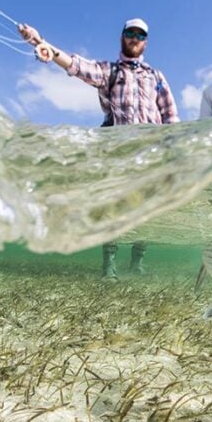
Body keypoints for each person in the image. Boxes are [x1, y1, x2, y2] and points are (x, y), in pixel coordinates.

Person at [18, 17, 179, 280]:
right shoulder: (110, 71)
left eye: (140, 35)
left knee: (146, 213)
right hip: (117, 156)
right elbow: (77, 66)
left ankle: (137, 264)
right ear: (122, 37)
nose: (134, 38)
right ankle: (109, 267)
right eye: (130, 33)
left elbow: (171, 116)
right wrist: (40, 42)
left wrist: (174, 156)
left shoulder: (157, 77)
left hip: (152, 157)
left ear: (145, 42)